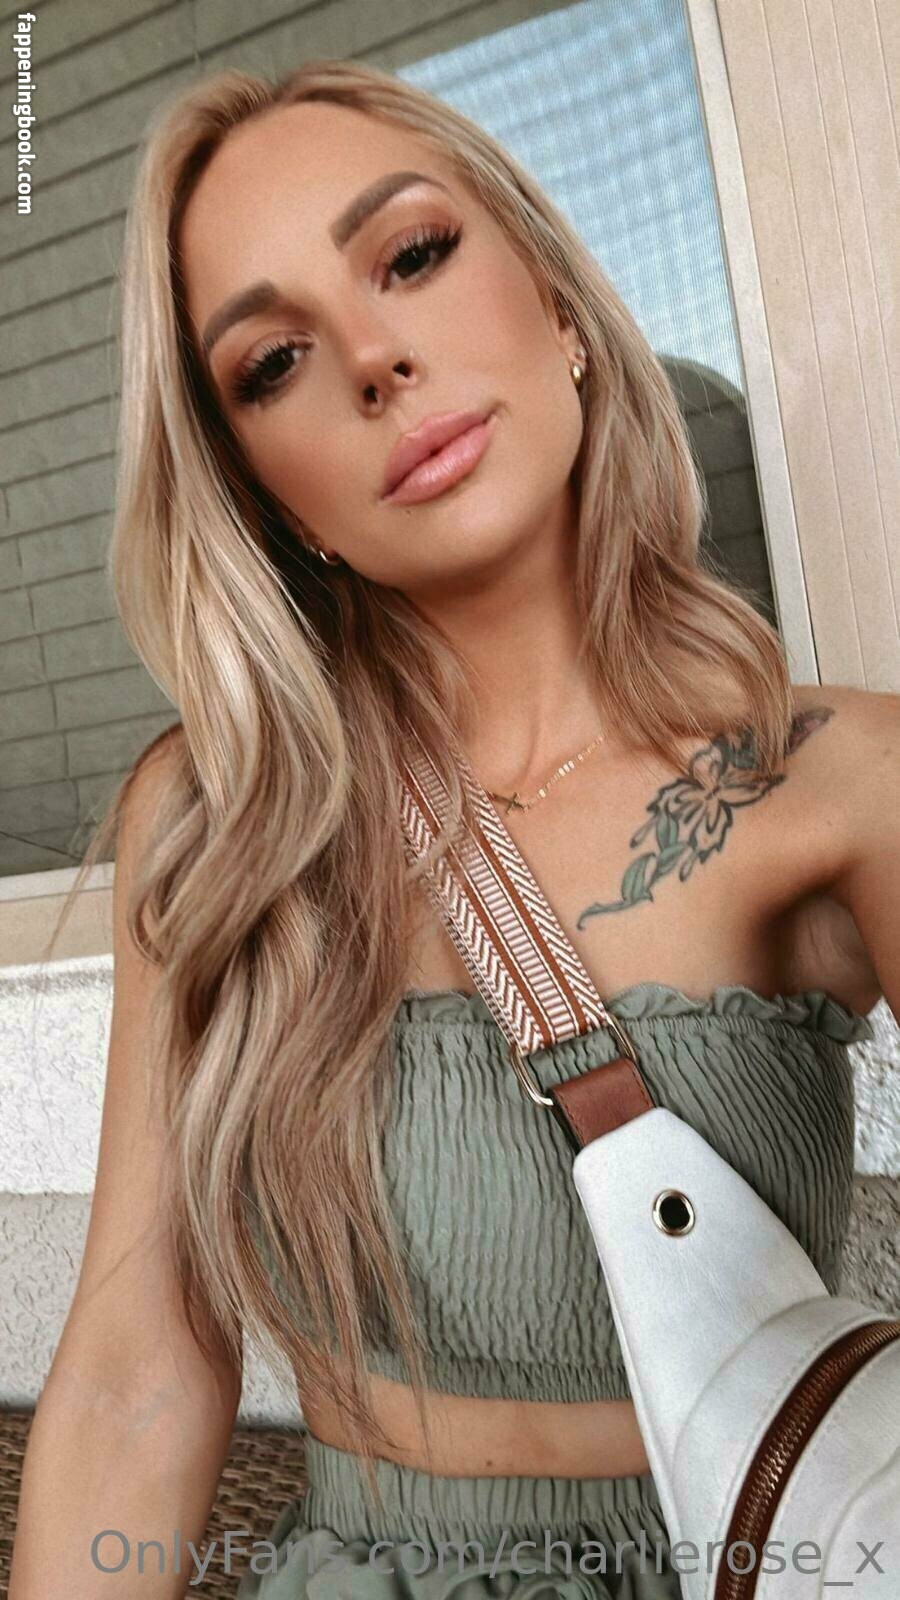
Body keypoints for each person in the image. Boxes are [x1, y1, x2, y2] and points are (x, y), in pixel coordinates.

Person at [10, 56, 898, 1600]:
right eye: (273, 362)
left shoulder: (836, 781)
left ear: (558, 304)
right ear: (269, 494)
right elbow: (137, 1369)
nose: (373, 361)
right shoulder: (218, 822)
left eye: (412, 255)